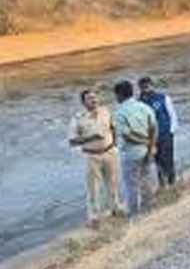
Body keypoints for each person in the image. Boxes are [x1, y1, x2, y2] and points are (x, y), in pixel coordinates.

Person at [68, 89, 123, 228]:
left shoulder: (106, 111)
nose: (94, 100)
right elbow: (72, 141)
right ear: (83, 102)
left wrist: (115, 144)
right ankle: (94, 217)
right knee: (93, 188)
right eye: (89, 98)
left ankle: (115, 208)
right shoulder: (77, 118)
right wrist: (91, 137)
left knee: (113, 182)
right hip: (91, 156)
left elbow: (113, 127)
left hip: (110, 152)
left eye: (95, 97)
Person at [113, 80, 158, 216]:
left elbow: (127, 136)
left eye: (115, 95)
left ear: (120, 95)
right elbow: (154, 129)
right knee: (147, 182)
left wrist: (144, 142)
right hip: (147, 151)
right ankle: (149, 211)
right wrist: (150, 147)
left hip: (131, 154)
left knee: (131, 186)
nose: (115, 98)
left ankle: (134, 215)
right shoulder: (144, 107)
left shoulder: (120, 112)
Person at [138, 77, 179, 188]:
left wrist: (171, 131)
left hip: (165, 134)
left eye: (147, 86)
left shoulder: (163, 98)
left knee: (168, 158)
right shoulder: (138, 103)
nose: (146, 89)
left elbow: (172, 115)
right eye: (143, 87)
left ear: (152, 85)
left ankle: (172, 181)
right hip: (149, 138)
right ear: (140, 88)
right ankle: (162, 184)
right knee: (157, 161)